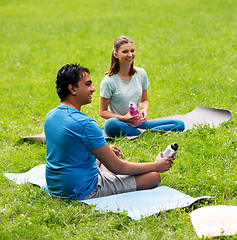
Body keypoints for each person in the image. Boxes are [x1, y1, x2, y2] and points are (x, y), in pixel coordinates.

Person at [45, 63, 174, 200]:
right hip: (82, 190)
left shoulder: (51, 116)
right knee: (153, 177)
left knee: (106, 158)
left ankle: (106, 164)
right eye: (88, 84)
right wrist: (156, 165)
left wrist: (104, 151)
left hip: (56, 186)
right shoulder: (85, 124)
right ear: (72, 89)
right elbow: (118, 167)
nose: (93, 89)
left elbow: (69, 151)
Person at [99, 36, 185, 137]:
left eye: (132, 50)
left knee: (179, 124)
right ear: (115, 54)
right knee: (110, 124)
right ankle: (143, 132)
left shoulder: (141, 74)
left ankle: (143, 132)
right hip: (120, 124)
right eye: (125, 52)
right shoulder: (108, 81)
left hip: (138, 123)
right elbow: (103, 111)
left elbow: (144, 100)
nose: (130, 55)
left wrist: (144, 109)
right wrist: (124, 118)